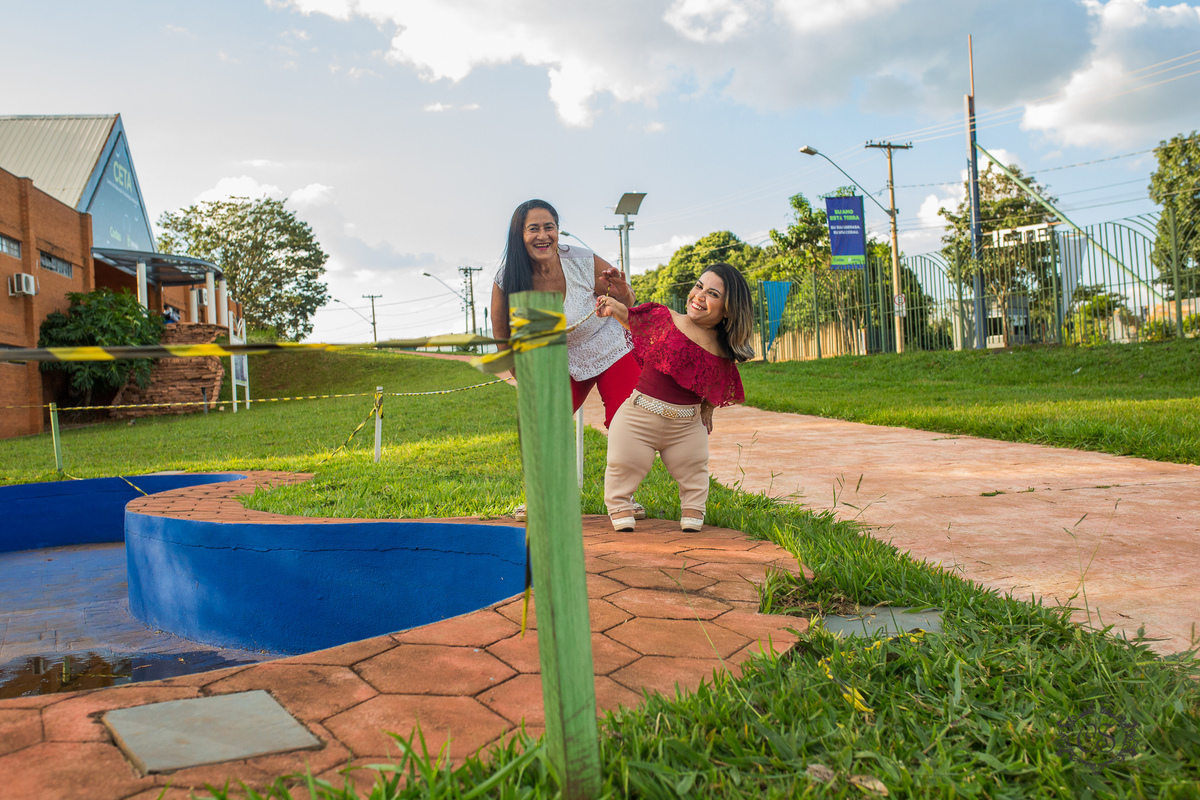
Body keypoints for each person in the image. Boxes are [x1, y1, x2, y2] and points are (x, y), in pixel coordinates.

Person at [491, 198, 645, 519]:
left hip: (606, 344)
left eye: (550, 227)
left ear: (558, 232)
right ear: (519, 235)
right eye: (533, 228)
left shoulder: (582, 260)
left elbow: (628, 300)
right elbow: (503, 338)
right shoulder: (508, 278)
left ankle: (622, 498)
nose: (542, 235)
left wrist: (622, 290)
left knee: (626, 419)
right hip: (556, 358)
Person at [595, 262, 754, 533]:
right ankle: (620, 505)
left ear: (729, 308)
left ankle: (693, 511)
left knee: (694, 467)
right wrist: (613, 306)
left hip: (685, 426)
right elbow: (633, 319)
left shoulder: (721, 349)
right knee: (623, 462)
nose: (700, 296)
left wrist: (708, 408)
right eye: (698, 286)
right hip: (638, 416)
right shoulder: (668, 319)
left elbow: (715, 381)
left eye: (713, 294)